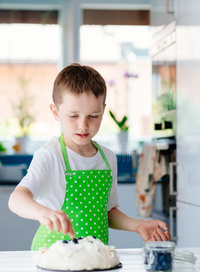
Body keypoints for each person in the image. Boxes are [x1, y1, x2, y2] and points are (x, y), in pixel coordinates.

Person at [8, 63, 171, 250]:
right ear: (56, 112)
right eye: (73, 116)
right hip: (53, 258)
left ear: (103, 110)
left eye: (93, 116)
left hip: (95, 257)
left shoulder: (107, 157)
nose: (83, 125)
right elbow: (17, 198)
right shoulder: (51, 155)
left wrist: (138, 225)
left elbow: (107, 212)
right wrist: (43, 213)